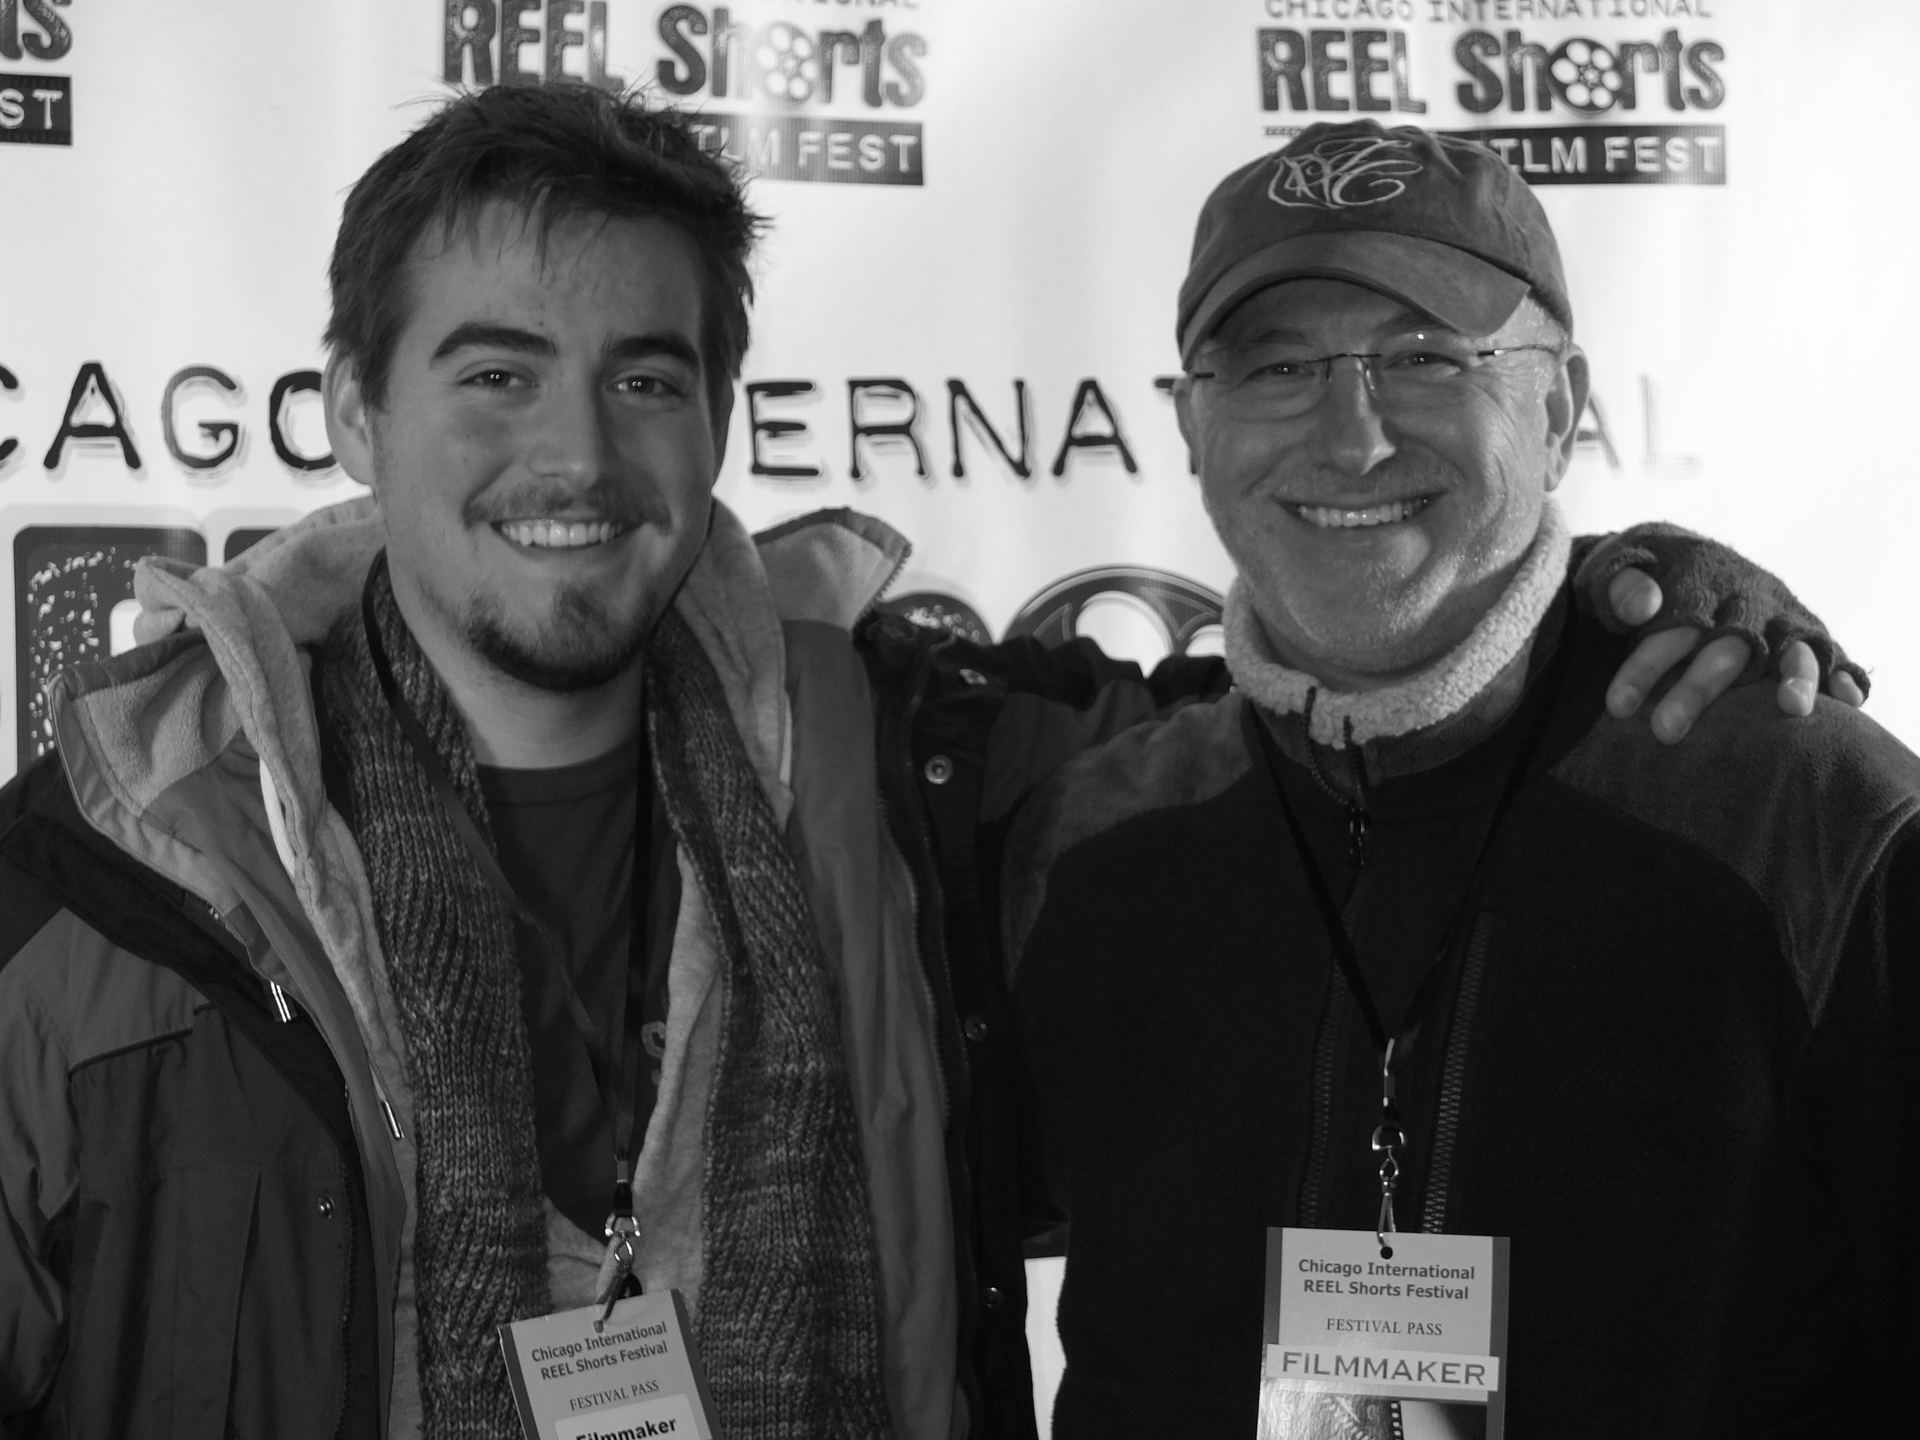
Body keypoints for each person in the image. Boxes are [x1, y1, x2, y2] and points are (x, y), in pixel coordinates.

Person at [0, 86, 1867, 1440]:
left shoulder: (931, 774)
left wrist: (1617, 599)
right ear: (351, 406)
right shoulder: (104, 890)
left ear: (720, 417)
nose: (575, 455)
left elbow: (1367, 700)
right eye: (495, 374)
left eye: (646, 378)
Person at [1005, 118, 1918, 1439]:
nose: (1352, 437)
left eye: (1426, 356)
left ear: (1557, 410)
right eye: (1277, 367)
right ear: (1195, 423)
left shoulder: (1805, 819)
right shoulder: (1094, 836)